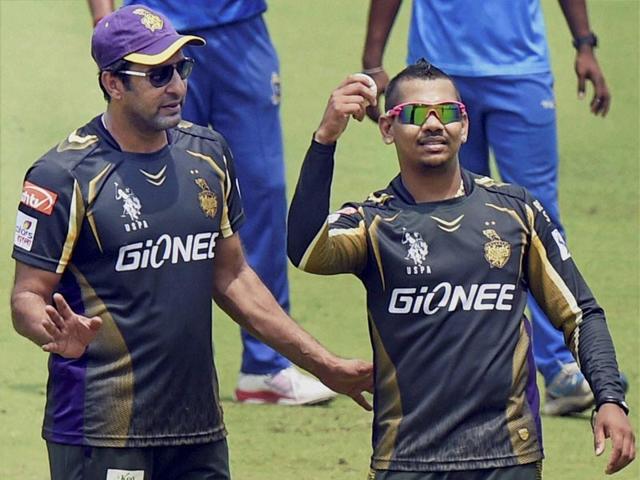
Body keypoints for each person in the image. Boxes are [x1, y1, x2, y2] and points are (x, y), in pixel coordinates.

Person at [10, 6, 373, 479]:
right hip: (101, 431)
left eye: (182, 68)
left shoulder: (208, 154)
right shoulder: (63, 176)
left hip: (198, 430)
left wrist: (324, 364)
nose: (178, 86)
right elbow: (26, 298)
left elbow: (234, 277)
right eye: (158, 74)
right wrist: (53, 331)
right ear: (113, 83)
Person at [287, 61, 635, 478]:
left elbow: (578, 314)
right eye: (415, 114)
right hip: (407, 458)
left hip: (507, 456)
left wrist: (609, 397)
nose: (434, 124)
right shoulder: (373, 222)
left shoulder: (516, 211)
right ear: (386, 129)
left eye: (448, 113)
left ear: (464, 126)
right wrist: (325, 139)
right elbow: (306, 250)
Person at [361, 0, 615, 416]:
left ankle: (557, 365)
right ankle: (458, 366)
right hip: (439, 77)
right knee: (448, 222)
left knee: (536, 220)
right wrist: (373, 62)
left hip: (521, 69)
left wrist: (584, 44)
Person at [85, 0, 335, 406]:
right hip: (155, 35)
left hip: (241, 28)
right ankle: (150, 364)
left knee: (263, 192)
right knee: (156, 191)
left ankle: (265, 367)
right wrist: (104, 18)